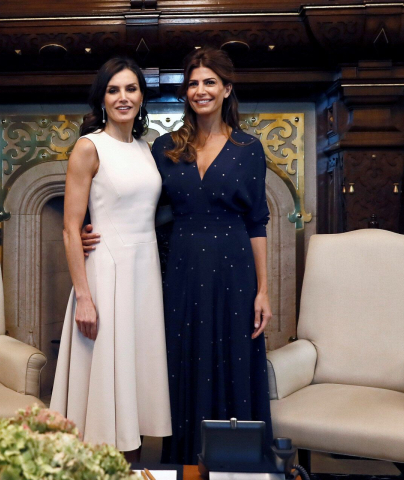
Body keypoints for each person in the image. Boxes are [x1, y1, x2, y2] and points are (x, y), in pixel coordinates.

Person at [82, 48, 273, 464]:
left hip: (234, 268)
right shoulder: (165, 147)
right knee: (182, 361)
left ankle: (236, 465)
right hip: (180, 268)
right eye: (193, 83)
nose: (200, 90)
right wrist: (88, 230)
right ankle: (183, 464)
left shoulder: (249, 147)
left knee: (234, 360)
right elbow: (134, 200)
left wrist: (263, 290)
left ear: (227, 89)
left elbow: (257, 222)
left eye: (209, 82)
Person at [50, 57, 172, 462]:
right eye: (113, 89)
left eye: (131, 89)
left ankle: (132, 464)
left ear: (141, 97)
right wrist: (84, 298)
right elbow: (71, 228)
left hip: (144, 273)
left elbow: (147, 210)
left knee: (134, 374)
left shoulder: (145, 148)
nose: (123, 97)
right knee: (104, 377)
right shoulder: (89, 147)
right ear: (101, 98)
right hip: (106, 272)